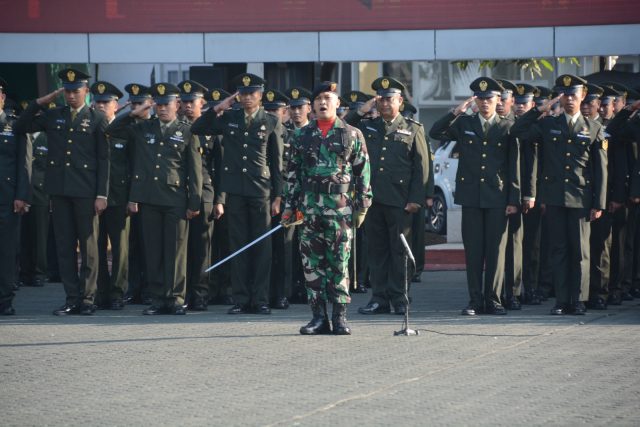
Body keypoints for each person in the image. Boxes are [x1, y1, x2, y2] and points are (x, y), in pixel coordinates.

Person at [15, 68, 109, 316]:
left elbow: (104, 160)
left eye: (75, 91)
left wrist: (102, 194)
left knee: (88, 248)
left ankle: (88, 299)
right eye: (66, 91)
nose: (70, 96)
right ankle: (71, 297)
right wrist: (40, 102)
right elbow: (21, 126)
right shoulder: (54, 115)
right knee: (64, 246)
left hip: (86, 192)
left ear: (86, 92)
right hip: (58, 191)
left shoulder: (97, 119)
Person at [283, 81, 372, 335]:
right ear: (312, 105)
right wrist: (290, 207)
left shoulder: (351, 134)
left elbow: (362, 171)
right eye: (319, 98)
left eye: (328, 98)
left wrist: (363, 205)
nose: (323, 102)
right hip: (310, 209)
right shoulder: (301, 136)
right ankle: (318, 317)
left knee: (339, 263)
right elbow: (293, 174)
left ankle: (340, 316)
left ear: (337, 104)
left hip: (340, 209)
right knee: (312, 264)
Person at [191, 73, 283, 315]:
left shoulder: (271, 120)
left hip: (261, 191)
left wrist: (278, 196)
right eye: (242, 94)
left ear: (260, 96)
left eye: (251, 94)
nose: (247, 98)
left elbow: (277, 162)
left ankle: (261, 299)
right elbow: (197, 127)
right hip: (235, 191)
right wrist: (218, 108)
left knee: (262, 248)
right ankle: (241, 298)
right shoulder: (229, 117)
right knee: (239, 246)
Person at [106, 82, 203, 315]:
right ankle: (158, 299)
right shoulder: (143, 128)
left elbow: (194, 169)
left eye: (165, 104)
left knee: (176, 252)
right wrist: (134, 112)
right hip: (149, 198)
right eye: (157, 104)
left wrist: (194, 202)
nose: (161, 109)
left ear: (176, 104)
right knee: (154, 251)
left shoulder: (188, 130)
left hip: (175, 199)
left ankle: (176, 299)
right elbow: (112, 130)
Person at [514, 74, 607, 315]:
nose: (569, 100)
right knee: (559, 250)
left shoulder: (594, 128)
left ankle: (577, 300)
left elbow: (600, 169)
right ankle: (562, 300)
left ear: (582, 96)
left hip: (580, 198)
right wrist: (540, 109)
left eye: (573, 96)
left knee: (579, 252)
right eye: (565, 96)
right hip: (555, 197)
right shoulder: (549, 124)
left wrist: (598, 202)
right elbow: (518, 131)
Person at [429, 77, 520, 316]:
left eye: (489, 98)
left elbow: (514, 165)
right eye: (480, 99)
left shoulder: (507, 126)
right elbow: (435, 131)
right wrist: (455, 112)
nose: (484, 103)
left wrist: (513, 199)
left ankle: (494, 299)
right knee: (474, 251)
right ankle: (475, 300)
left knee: (496, 251)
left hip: (497, 197)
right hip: (471, 197)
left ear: (498, 100)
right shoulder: (465, 122)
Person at [345, 77, 429, 315]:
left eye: (389, 99)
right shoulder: (368, 126)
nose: (383, 104)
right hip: (372, 200)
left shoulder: (413, 128)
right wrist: (362, 110)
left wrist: (416, 199)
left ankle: (401, 297)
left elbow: (421, 168)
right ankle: (379, 298)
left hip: (400, 201)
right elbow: (344, 127)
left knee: (400, 251)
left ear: (400, 101)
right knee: (377, 251)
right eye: (380, 99)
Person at [177, 79, 221, 311]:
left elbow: (220, 166)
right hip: (178, 195)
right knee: (180, 250)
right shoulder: (177, 128)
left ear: (201, 103)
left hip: (205, 194)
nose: (186, 106)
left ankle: (201, 294)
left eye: (191, 101)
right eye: (183, 101)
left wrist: (219, 199)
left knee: (202, 249)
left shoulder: (211, 129)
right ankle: (181, 294)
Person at [91, 81, 130, 311]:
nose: (100, 105)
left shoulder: (126, 130)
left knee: (119, 248)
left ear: (116, 105)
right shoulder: (89, 130)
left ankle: (117, 292)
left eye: (105, 102)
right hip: (94, 197)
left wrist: (132, 199)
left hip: (119, 197)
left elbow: (134, 165)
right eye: (97, 101)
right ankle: (101, 291)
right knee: (95, 247)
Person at [0, 77, 31, 315]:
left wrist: (22, 195)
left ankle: (4, 300)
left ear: (2, 98)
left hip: (8, 198)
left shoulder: (15, 125)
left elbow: (24, 163)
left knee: (7, 250)